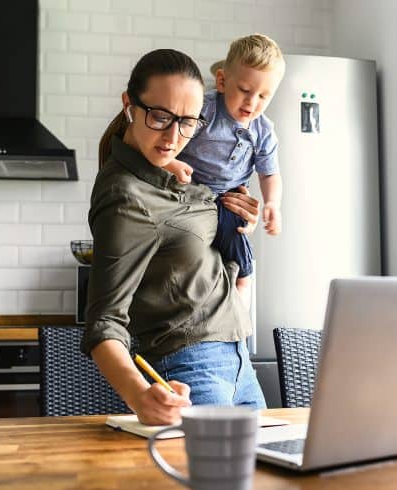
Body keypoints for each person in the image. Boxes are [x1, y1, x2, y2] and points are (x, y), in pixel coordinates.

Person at [82, 49, 267, 425]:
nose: (173, 136)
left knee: (263, 482)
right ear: (129, 105)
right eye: (160, 116)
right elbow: (104, 320)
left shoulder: (178, 173)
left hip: (240, 363)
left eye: (188, 122)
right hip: (191, 369)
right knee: (206, 484)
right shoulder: (126, 197)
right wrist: (138, 395)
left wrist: (234, 217)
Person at [164, 34, 286, 305]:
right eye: (244, 90)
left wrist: (272, 204)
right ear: (222, 81)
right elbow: (170, 140)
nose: (252, 103)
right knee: (190, 251)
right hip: (187, 191)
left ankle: (240, 305)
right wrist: (172, 163)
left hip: (229, 198)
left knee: (240, 256)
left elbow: (269, 173)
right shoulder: (204, 109)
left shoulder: (263, 130)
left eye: (264, 96)